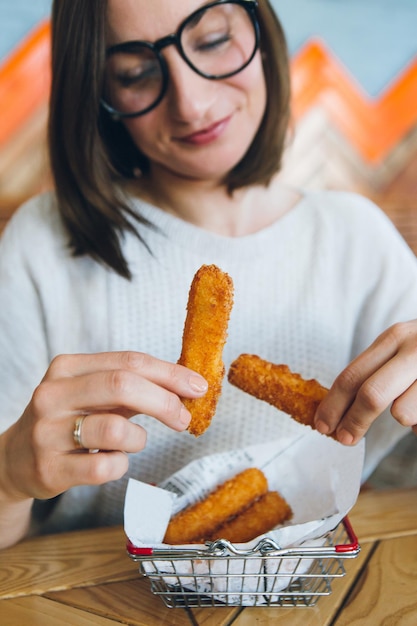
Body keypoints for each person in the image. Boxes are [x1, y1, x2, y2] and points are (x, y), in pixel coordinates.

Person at [0, 0, 416, 550]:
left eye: (213, 40)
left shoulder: (358, 237)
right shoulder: (42, 242)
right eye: (136, 74)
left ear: (261, 30)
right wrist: (8, 476)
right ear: (98, 92)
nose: (191, 104)